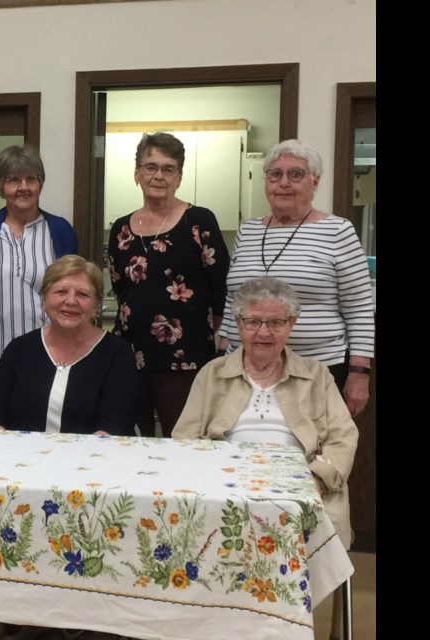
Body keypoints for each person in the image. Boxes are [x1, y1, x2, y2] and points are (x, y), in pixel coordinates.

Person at [174, 276, 357, 549]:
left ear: (291, 324)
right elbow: (184, 437)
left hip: (300, 486)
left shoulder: (318, 376)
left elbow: (343, 438)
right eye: (253, 322)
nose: (263, 332)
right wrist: (212, 476)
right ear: (238, 325)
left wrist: (316, 478)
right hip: (226, 485)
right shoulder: (212, 374)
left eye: (275, 323)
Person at [218, 139, 374, 417]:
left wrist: (359, 373)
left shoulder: (338, 231)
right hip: (245, 369)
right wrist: (222, 356)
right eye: (275, 174)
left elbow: (360, 307)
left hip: (316, 370)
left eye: (296, 174)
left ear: (314, 182)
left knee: (311, 449)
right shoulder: (248, 231)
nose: (284, 182)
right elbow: (233, 300)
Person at [106, 132, 230, 437]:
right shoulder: (121, 228)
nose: (158, 175)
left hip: (185, 360)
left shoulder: (199, 221)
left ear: (179, 176)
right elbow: (121, 288)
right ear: (137, 174)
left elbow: (222, 291)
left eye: (168, 168)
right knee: (132, 441)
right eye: (150, 167)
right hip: (130, 355)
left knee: (184, 442)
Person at [0, 144, 78, 424]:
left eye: (31, 179)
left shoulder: (60, 230)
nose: (23, 187)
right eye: (13, 180)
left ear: (40, 183)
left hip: (45, 358)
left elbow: (71, 291)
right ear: (0, 186)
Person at [0, 255, 138, 435]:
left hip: (89, 459)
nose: (71, 301)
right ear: (44, 301)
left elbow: (114, 425)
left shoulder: (117, 354)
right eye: (61, 292)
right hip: (22, 458)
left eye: (83, 294)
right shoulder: (19, 349)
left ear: (96, 306)